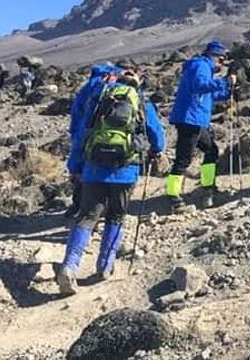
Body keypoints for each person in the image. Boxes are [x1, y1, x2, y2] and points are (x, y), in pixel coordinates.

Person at [57, 67, 165, 295]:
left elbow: (81, 135)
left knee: (86, 216)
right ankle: (105, 266)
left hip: (94, 169)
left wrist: (75, 167)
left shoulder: (99, 100)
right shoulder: (141, 102)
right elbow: (156, 133)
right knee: (116, 216)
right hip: (126, 169)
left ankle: (69, 266)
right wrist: (157, 150)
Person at [166, 40, 234, 213]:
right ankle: (173, 196)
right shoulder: (200, 66)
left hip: (196, 119)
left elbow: (208, 94)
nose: (222, 63)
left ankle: (207, 186)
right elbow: (199, 86)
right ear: (214, 56)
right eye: (221, 59)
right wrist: (223, 81)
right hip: (190, 119)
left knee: (211, 150)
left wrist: (227, 90)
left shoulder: (205, 69)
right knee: (183, 159)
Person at [65, 63, 124, 218]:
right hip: (98, 135)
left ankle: (77, 205)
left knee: (82, 172)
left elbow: (77, 113)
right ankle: (97, 212)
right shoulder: (104, 89)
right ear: (108, 75)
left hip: (82, 134)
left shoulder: (87, 88)